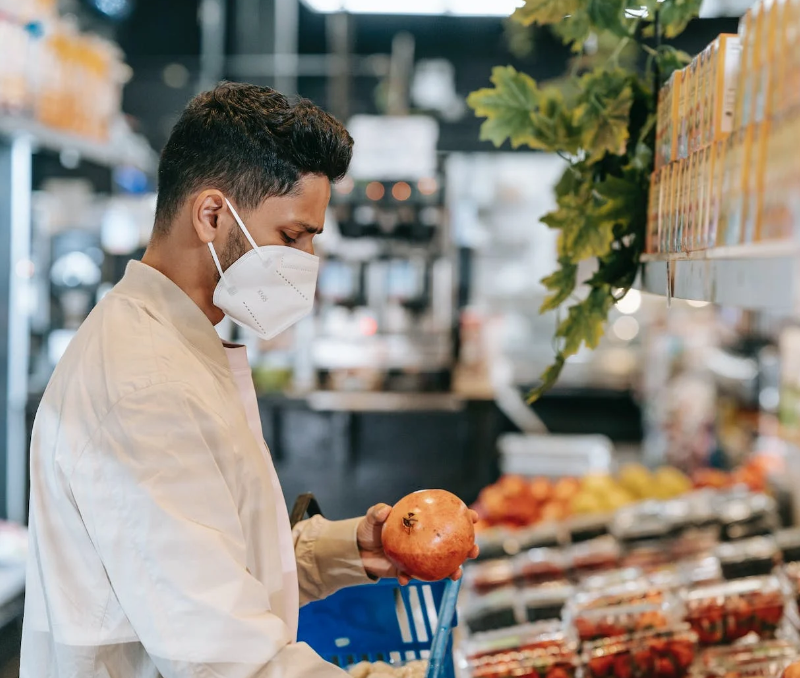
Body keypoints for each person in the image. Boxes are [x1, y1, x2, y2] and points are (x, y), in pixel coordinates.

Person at [20, 83, 478, 678]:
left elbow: (215, 560)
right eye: (293, 236)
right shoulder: (144, 386)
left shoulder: (179, 341)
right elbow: (222, 658)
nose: (308, 260)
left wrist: (348, 550)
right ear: (212, 215)